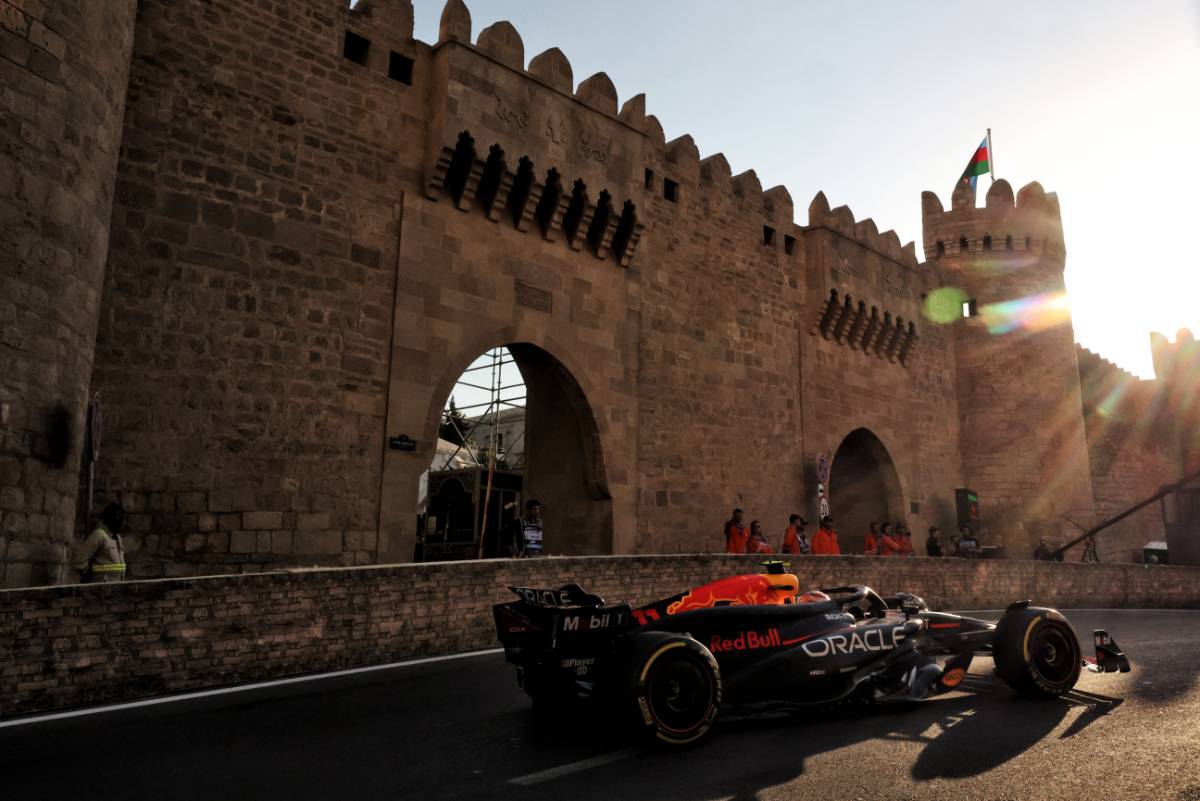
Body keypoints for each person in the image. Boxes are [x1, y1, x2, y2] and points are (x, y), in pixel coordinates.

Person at [73, 502, 127, 583]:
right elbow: (79, 563)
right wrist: (90, 577)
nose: (120, 522)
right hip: (99, 589)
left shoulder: (118, 538)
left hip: (116, 589)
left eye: (121, 518)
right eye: (117, 517)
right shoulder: (98, 535)